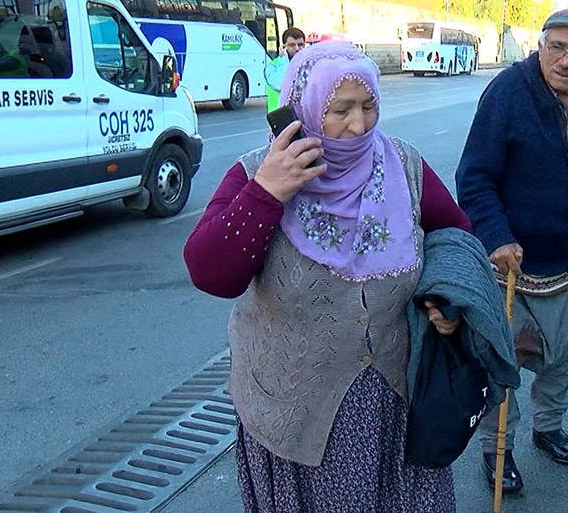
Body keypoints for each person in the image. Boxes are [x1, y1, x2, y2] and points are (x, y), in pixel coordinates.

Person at [183, 41, 472, 513]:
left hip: (392, 410)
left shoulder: (404, 167)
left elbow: (456, 237)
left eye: (368, 106)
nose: (358, 125)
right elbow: (209, 270)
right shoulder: (260, 171)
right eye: (340, 109)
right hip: (294, 418)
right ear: (305, 109)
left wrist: (447, 301)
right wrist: (266, 194)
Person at [456, 9, 568, 493]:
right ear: (541, 44)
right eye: (557, 47)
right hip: (509, 263)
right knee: (500, 361)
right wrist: (495, 235)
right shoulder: (507, 93)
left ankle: (548, 426)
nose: (566, 61)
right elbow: (475, 177)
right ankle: (497, 449)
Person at [264, 27, 306, 111]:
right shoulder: (272, 67)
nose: (297, 48)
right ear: (283, 47)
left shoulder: (307, 65)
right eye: (292, 45)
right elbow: (280, 85)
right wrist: (284, 59)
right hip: (280, 119)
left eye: (300, 45)